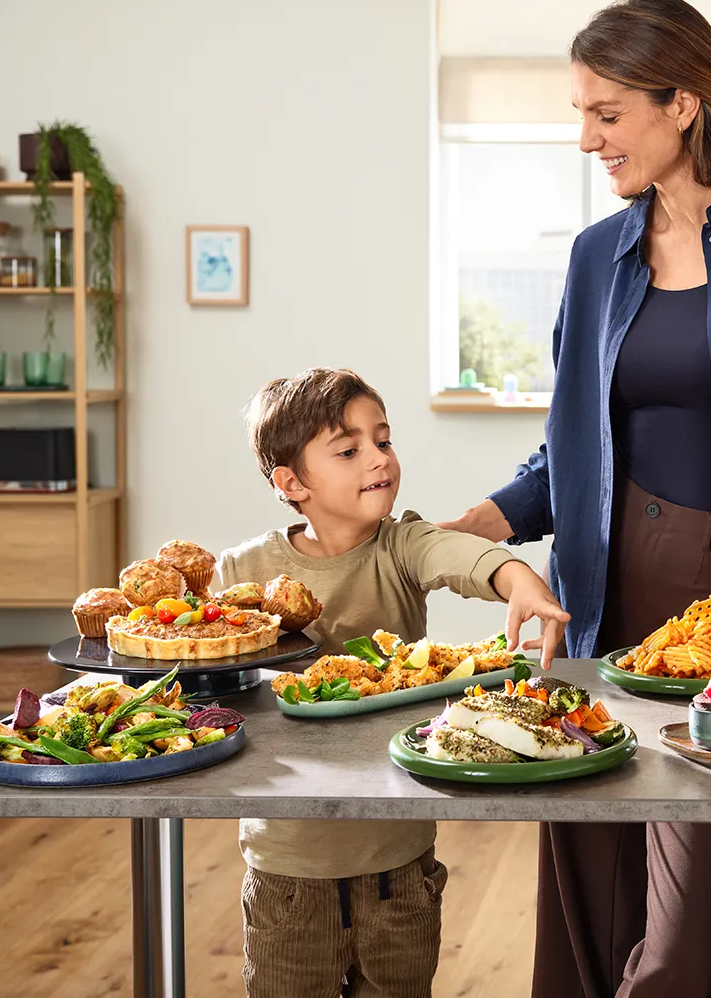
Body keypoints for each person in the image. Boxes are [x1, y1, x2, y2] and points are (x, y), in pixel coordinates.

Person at [443, 0, 711, 998]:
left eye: (606, 113)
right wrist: (483, 524)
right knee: (586, 904)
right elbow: (572, 447)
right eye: (580, 113)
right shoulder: (596, 257)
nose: (587, 138)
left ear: (682, 101)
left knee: (683, 937)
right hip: (599, 600)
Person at [213, 367, 568, 998]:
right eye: (349, 450)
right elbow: (212, 678)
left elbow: (468, 558)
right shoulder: (245, 570)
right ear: (291, 483)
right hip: (290, 861)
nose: (378, 459)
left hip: (396, 858)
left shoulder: (401, 545)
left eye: (383, 440)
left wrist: (525, 586)